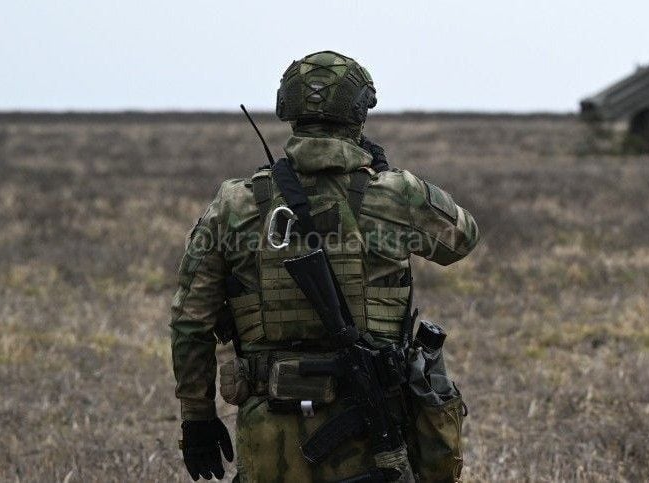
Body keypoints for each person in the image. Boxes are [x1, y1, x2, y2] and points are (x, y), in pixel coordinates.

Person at [170, 51, 479, 482]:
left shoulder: (235, 203)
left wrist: (197, 416)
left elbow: (190, 321)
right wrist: (389, 178)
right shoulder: (397, 195)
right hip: (374, 431)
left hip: (269, 432)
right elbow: (462, 238)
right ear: (359, 111)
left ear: (287, 110)